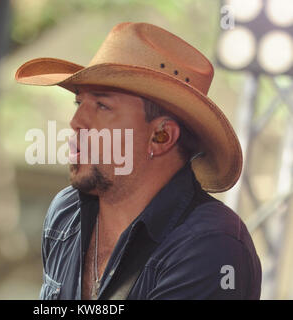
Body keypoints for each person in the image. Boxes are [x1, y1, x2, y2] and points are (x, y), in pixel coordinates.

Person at [15, 22, 261, 299]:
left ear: (162, 136)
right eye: (79, 103)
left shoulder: (211, 244)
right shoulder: (66, 212)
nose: (76, 122)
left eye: (102, 106)